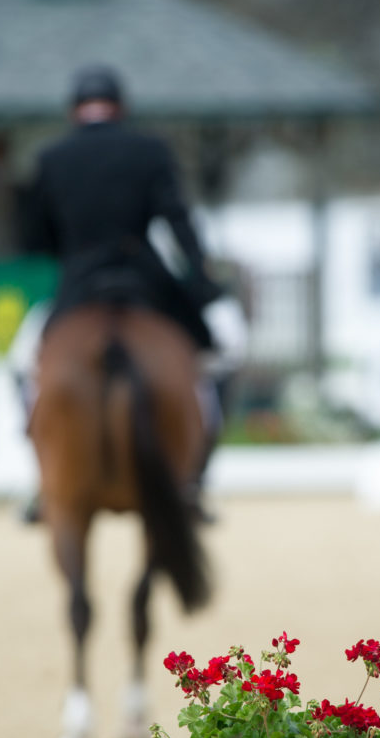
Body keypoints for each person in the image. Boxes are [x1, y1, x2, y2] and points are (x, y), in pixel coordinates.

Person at [13, 64, 246, 519]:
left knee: (25, 363)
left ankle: (45, 482)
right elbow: (179, 223)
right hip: (146, 282)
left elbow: (34, 240)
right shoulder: (150, 151)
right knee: (218, 356)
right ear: (121, 108)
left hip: (79, 285)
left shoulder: (51, 158)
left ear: (74, 110)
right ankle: (193, 478)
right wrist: (203, 284)